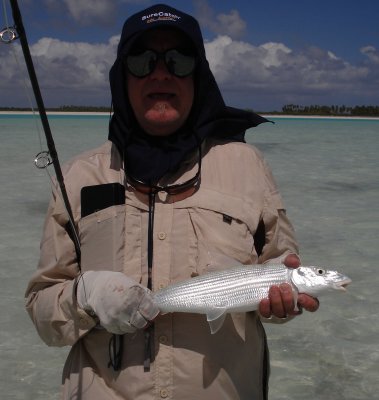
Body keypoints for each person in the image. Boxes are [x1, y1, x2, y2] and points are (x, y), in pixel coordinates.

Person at [25, 3, 319, 400]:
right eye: (142, 59)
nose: (160, 72)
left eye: (179, 60)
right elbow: (43, 315)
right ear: (121, 76)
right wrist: (85, 296)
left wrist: (285, 304)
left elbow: (282, 274)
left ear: (199, 75)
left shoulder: (248, 167)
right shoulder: (79, 177)